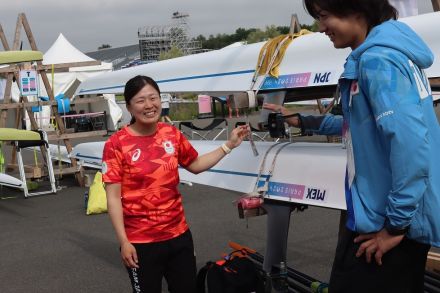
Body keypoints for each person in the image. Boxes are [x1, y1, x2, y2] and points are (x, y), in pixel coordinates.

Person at [265, 0, 440, 292]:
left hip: (388, 222)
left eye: (324, 16)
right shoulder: (385, 53)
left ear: (357, 9)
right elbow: (363, 127)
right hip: (388, 214)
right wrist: (303, 121)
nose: (320, 28)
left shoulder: (378, 61)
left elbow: (411, 148)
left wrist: (395, 226)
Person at [102, 75, 249, 293]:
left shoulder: (171, 134)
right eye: (141, 100)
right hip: (140, 242)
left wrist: (229, 145)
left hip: (178, 237)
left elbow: (196, 164)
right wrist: (124, 241)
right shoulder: (116, 144)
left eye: (154, 98)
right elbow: (113, 198)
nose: (149, 105)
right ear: (130, 107)